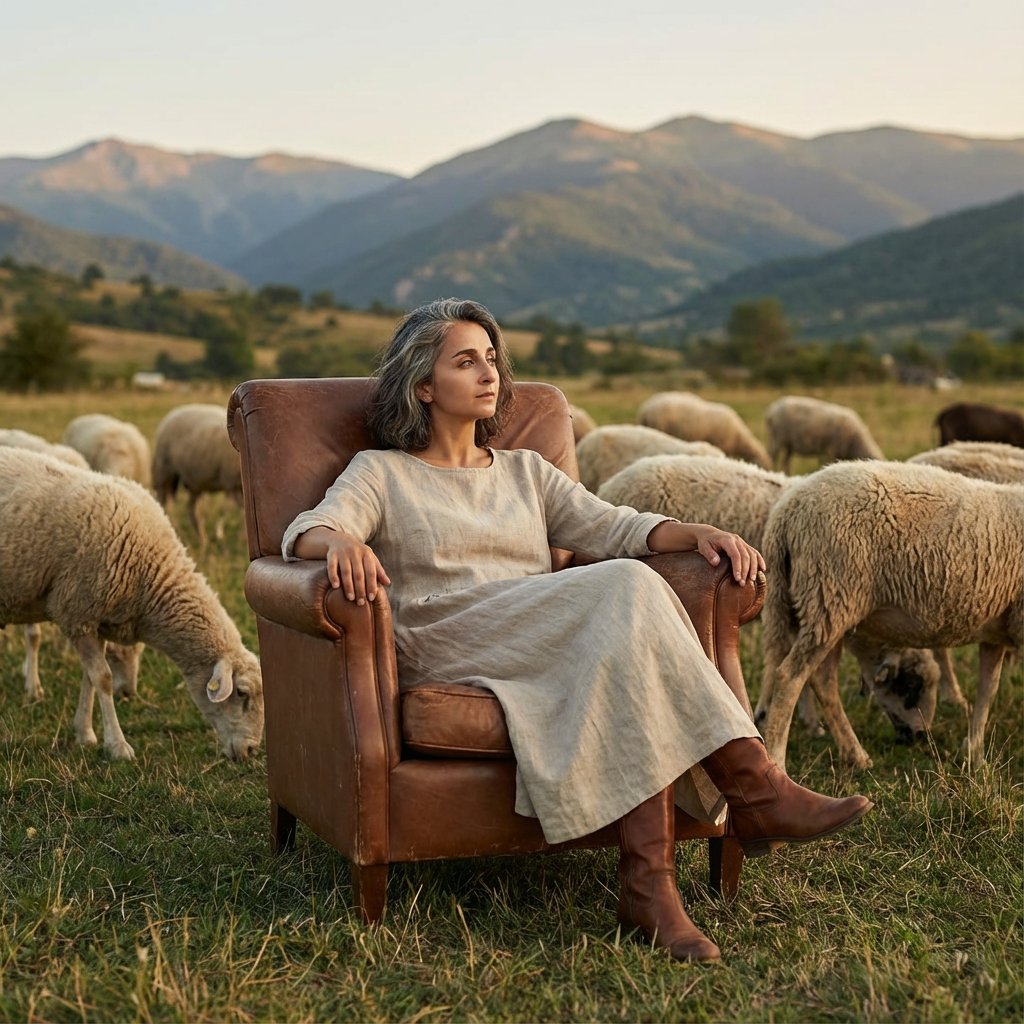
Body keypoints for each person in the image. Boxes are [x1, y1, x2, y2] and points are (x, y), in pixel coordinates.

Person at [282, 297, 872, 963]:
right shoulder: (381, 472)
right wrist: (337, 545)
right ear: (424, 385)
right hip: (441, 639)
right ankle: (753, 786)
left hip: (537, 641)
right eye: (466, 361)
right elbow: (306, 531)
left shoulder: (526, 472)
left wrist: (697, 534)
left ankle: (649, 887)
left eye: (494, 360)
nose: (490, 375)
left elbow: (614, 525)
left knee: (632, 626)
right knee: (626, 583)